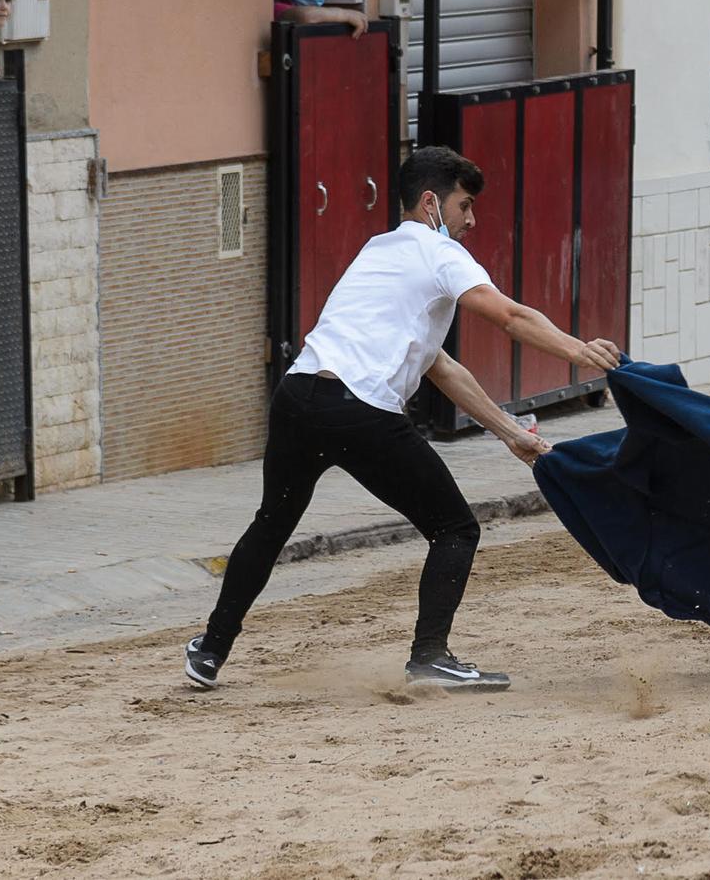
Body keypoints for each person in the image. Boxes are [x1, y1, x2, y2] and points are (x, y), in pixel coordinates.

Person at [185, 146, 622, 692]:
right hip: (359, 410)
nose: (472, 221)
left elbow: (440, 367)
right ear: (433, 203)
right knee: (455, 528)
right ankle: (430, 655)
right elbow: (508, 315)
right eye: (466, 206)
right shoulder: (438, 252)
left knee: (271, 525)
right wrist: (579, 352)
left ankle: (210, 651)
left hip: (298, 397)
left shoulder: (377, 251)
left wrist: (510, 432)